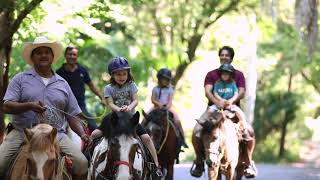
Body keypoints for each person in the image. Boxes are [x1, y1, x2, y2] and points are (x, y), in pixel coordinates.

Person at [0, 36, 91, 180]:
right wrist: (29, 106)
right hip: (22, 132)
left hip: (55, 135)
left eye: (46, 52)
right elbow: (6, 106)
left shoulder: (63, 83)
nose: (43, 55)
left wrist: (83, 134)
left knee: (81, 163)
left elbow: (72, 114)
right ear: (32, 57)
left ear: (52, 56)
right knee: (0, 162)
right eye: (39, 52)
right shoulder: (20, 79)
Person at [190, 46, 257, 178]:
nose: (224, 57)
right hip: (214, 109)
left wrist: (231, 101)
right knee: (198, 129)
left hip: (232, 109)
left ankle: (248, 162)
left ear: (231, 57)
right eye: (222, 55)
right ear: (219, 56)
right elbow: (208, 91)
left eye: (227, 55)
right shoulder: (211, 74)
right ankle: (199, 161)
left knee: (248, 131)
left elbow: (241, 91)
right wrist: (217, 102)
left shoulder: (238, 74)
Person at [90, 56, 162, 177]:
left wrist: (129, 107)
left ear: (128, 74)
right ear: (112, 75)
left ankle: (155, 165)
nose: (122, 77)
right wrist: (118, 109)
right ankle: (90, 163)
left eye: (124, 74)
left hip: (129, 118)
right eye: (118, 74)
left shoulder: (131, 85)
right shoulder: (108, 88)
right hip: (114, 119)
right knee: (93, 135)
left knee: (147, 139)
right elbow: (110, 103)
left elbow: (135, 100)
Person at [56, 46, 104, 133]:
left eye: (74, 54)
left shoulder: (82, 71)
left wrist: (101, 97)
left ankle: (92, 146)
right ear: (65, 55)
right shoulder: (59, 73)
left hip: (80, 106)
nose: (72, 56)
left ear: (77, 56)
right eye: (69, 54)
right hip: (64, 107)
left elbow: (91, 85)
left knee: (94, 127)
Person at [207, 63, 251, 140]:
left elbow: (236, 93)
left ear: (230, 75)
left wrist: (231, 100)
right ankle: (204, 129)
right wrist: (220, 100)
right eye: (223, 74)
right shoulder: (217, 83)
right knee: (209, 111)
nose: (225, 75)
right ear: (220, 74)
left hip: (230, 104)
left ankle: (244, 130)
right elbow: (215, 93)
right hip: (219, 104)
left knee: (240, 114)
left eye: (227, 74)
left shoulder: (232, 83)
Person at [150, 68, 188, 148]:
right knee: (146, 117)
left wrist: (167, 106)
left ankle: (182, 139)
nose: (164, 81)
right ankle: (140, 134)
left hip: (168, 107)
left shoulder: (170, 89)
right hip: (156, 107)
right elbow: (153, 99)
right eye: (163, 79)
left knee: (177, 120)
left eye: (166, 79)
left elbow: (170, 100)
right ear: (159, 79)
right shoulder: (155, 89)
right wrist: (159, 104)